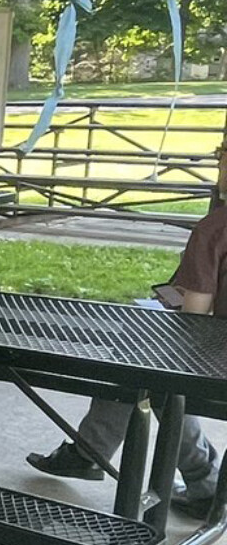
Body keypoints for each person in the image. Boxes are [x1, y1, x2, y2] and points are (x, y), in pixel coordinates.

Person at [27, 202, 226, 519]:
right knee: (152, 363)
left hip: (216, 367)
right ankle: (203, 479)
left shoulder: (215, 228)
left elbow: (195, 319)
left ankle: (89, 453)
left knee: (143, 357)